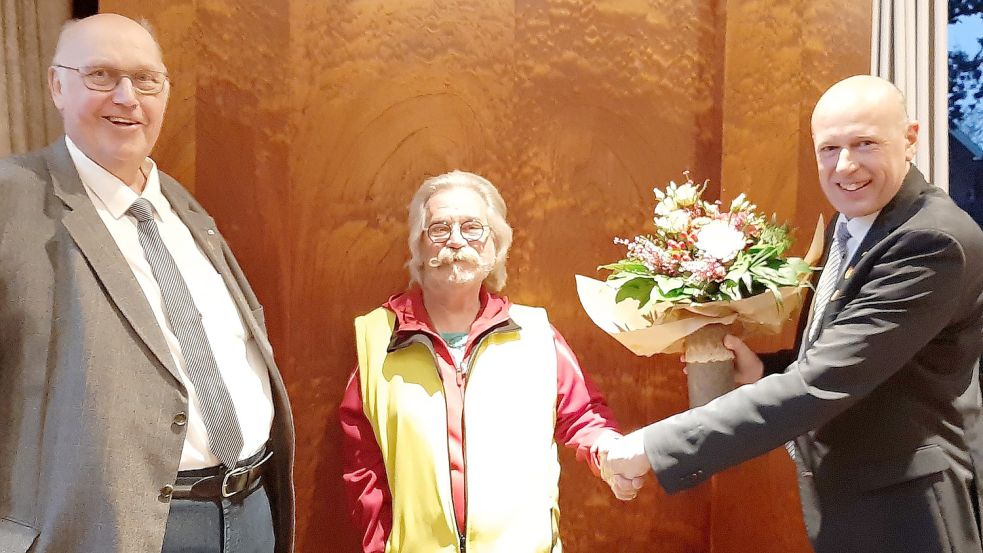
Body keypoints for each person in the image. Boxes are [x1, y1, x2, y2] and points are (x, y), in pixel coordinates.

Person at [600, 75, 983, 553]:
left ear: (910, 139)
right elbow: (852, 349)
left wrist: (653, 446)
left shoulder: (931, 241)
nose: (845, 166)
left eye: (865, 143)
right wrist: (764, 368)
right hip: (857, 502)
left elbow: (826, 378)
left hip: (909, 514)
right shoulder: (857, 224)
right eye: (828, 149)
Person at [0, 14, 294, 553]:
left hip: (249, 513)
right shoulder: (11, 199)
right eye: (101, 76)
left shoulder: (182, 206)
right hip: (111, 531)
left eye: (146, 79)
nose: (127, 97)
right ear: (56, 85)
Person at [340, 170, 635, 552]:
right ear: (419, 246)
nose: (456, 241)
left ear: (495, 245)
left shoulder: (535, 334)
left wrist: (608, 452)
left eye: (473, 228)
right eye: (440, 229)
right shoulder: (377, 338)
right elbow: (364, 468)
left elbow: (582, 417)